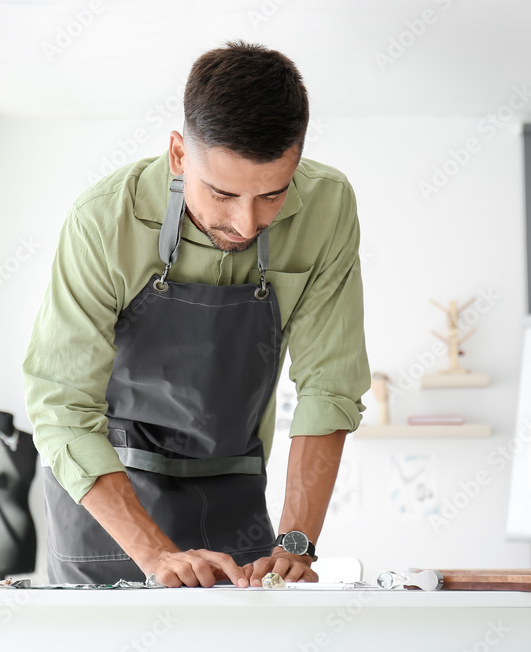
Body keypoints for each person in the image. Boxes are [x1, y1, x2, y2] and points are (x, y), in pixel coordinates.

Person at [22, 41, 371, 588]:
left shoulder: (328, 208)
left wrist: (297, 543)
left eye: (273, 196)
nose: (248, 222)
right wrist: (156, 555)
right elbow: (62, 408)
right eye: (223, 192)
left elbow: (331, 387)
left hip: (233, 491)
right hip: (111, 513)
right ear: (179, 155)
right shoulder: (102, 222)